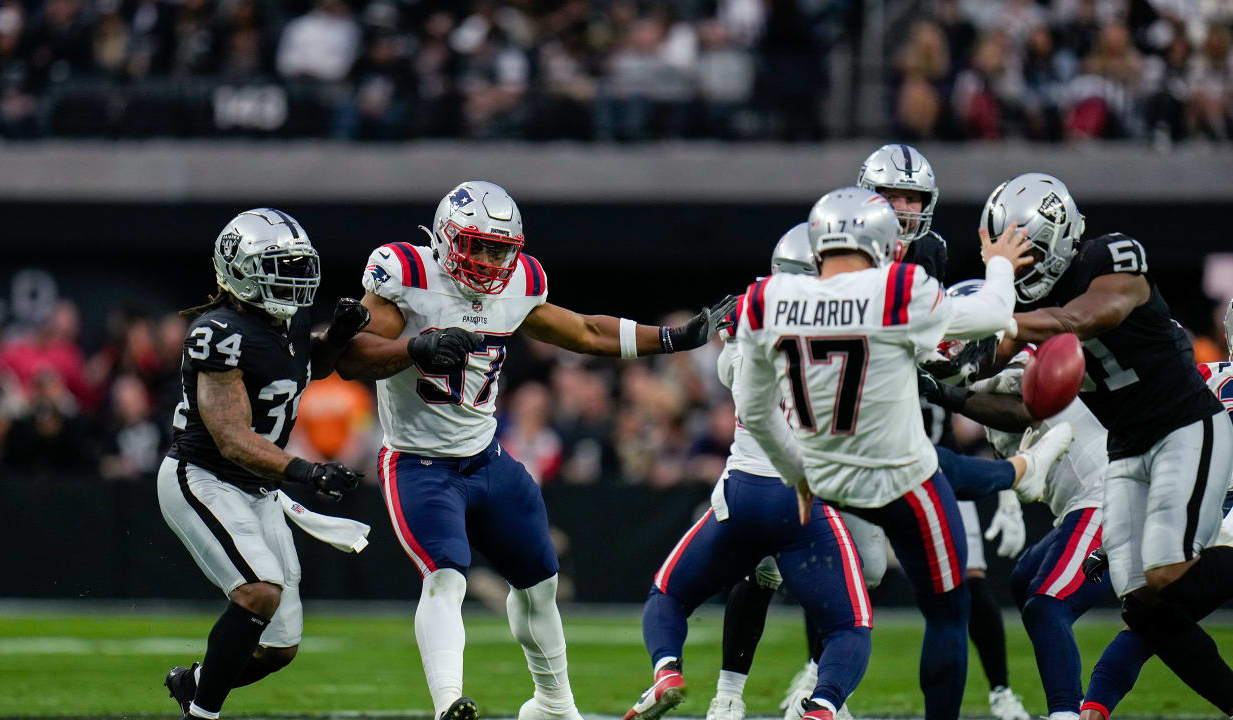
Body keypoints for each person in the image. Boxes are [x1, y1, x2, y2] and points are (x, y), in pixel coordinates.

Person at [334, 181, 736, 720]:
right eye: (477, 245)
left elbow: (587, 332)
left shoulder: (519, 284)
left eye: (500, 249)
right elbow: (354, 358)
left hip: (486, 458)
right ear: (448, 239)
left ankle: (553, 704)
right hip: (418, 462)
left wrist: (671, 339)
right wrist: (415, 346)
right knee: (447, 576)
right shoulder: (408, 275)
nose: (489, 260)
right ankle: (448, 703)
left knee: (541, 584)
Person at [720, 145, 1032, 720]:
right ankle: (811, 693)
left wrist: (797, 473)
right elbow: (990, 312)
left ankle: (752, 692)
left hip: (828, 464)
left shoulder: (774, 298)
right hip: (901, 465)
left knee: (843, 580)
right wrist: (999, 262)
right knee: (943, 608)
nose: (905, 212)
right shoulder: (900, 288)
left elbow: (757, 407)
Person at [987, 174, 1233, 714]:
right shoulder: (1212, 373)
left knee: (1156, 585)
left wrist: (992, 323)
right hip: (1150, 461)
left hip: (1182, 453)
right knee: (1143, 606)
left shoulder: (1110, 261)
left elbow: (1080, 318)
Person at [624, 225, 874, 720]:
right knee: (850, 627)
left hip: (740, 490)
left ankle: (668, 670)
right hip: (805, 496)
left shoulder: (748, 321)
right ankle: (822, 705)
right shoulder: (861, 333)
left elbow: (726, 375)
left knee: (669, 594)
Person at [158, 209, 372, 720]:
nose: (291, 279)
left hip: (257, 488)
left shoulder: (289, 319)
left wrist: (336, 337)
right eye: (277, 266)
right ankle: (201, 715)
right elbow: (231, 439)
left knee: (279, 649)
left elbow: (305, 367)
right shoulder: (218, 332)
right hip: (204, 476)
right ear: (236, 268)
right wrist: (307, 471)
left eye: (296, 266)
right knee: (257, 593)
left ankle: (193, 684)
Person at [923, 346, 1110, 720]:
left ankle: (1065, 714)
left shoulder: (1028, 359)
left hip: (1108, 498)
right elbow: (1015, 447)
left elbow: (1025, 406)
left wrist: (943, 391)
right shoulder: (980, 392)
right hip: (1082, 505)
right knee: (1025, 582)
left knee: (1047, 603)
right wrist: (1010, 504)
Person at [1077, 297, 1233, 720]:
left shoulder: (1198, 380)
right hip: (1212, 521)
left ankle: (1092, 710)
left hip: (1205, 523)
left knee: (1146, 617)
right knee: (1149, 617)